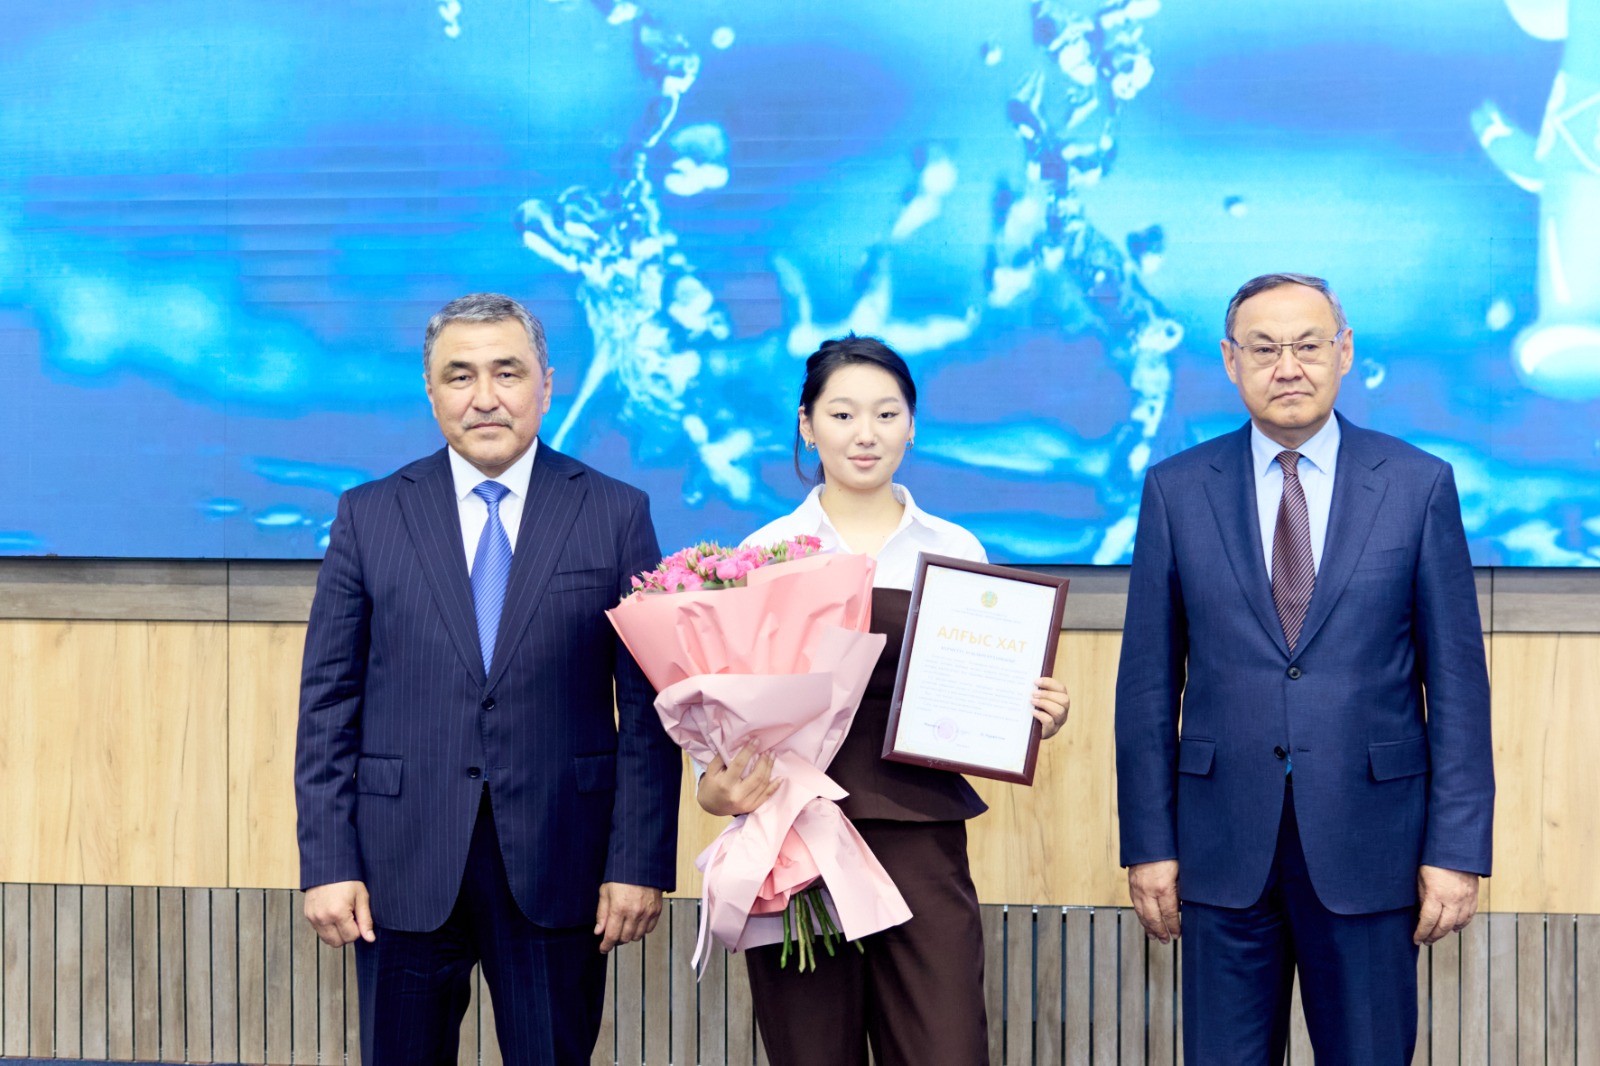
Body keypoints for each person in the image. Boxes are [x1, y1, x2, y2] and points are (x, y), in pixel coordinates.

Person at [1114, 273, 1494, 1062]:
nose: (1288, 366)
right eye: (1264, 348)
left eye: (1308, 345)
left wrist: (1456, 850)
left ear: (1344, 352)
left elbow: (1458, 688)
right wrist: (1148, 843)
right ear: (1230, 361)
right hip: (1221, 849)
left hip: (1373, 846)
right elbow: (1147, 687)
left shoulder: (1418, 485)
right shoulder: (1176, 490)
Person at [294, 293, 681, 1064]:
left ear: (546, 384)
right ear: (431, 391)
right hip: (401, 867)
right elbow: (328, 703)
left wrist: (638, 863)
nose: (485, 397)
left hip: (559, 862)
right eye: (460, 375)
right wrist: (328, 863)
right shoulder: (369, 515)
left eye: (507, 372)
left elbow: (648, 711)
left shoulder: (615, 513)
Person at [698, 334, 1072, 1066]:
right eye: (842, 415)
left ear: (912, 426)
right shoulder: (764, 553)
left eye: (886, 414)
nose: (864, 434)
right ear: (808, 426)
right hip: (795, 843)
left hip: (921, 837)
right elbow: (721, 711)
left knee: (945, 1048)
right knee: (812, 1051)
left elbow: (984, 691)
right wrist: (714, 787)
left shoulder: (955, 549)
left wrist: (1032, 713)